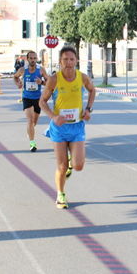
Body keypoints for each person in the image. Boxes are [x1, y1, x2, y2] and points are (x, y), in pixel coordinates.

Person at [39, 46, 96, 209]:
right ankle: (60, 194)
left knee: (78, 166)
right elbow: (42, 101)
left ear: (76, 61)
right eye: (65, 59)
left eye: (72, 59)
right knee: (61, 166)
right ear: (60, 61)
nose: (69, 63)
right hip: (59, 129)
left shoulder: (82, 78)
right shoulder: (54, 79)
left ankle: (71, 163)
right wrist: (53, 117)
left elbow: (92, 90)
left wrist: (88, 109)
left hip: (77, 126)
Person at [13, 51, 48, 152]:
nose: (33, 60)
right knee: (30, 120)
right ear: (27, 59)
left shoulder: (41, 70)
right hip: (27, 97)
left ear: (37, 59)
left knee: (34, 123)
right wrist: (18, 83)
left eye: (34, 58)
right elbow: (15, 77)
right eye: (31, 58)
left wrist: (41, 82)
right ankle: (32, 143)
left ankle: (30, 131)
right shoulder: (23, 70)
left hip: (37, 98)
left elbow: (49, 82)